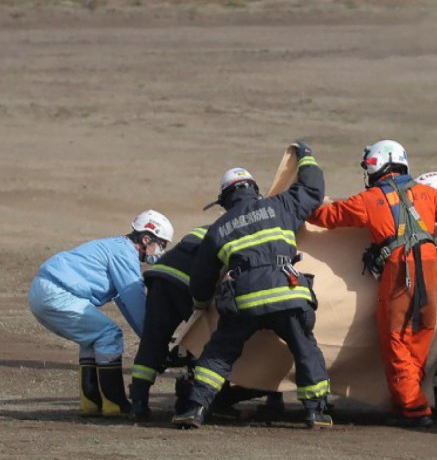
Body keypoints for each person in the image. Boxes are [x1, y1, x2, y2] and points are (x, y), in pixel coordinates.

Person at [306, 139, 437, 428]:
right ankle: (408, 400)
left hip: (399, 272)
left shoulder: (367, 201)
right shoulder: (426, 194)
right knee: (419, 335)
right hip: (430, 271)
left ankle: (414, 409)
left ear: (377, 164)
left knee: (396, 341)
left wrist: (299, 201)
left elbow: (326, 217)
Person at [172, 143, 332, 430]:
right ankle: (315, 412)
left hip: (243, 299)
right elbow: (312, 189)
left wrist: (200, 305)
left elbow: (202, 278)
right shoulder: (281, 205)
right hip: (287, 291)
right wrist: (306, 157)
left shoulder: (219, 228)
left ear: (225, 199)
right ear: (253, 189)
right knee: (305, 348)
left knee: (219, 353)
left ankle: (195, 408)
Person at [28, 209, 175, 418]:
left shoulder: (117, 247)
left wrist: (148, 335)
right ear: (145, 238)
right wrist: (155, 339)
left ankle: (91, 404)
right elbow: (133, 298)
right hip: (56, 293)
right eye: (161, 244)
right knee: (108, 334)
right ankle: (115, 404)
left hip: (44, 290)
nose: (161, 251)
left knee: (92, 340)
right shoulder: (125, 254)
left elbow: (126, 303)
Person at [128, 223, 209, 421]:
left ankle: (138, 401)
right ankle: (196, 399)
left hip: (160, 275)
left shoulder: (211, 226)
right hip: (187, 282)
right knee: (205, 340)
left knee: (152, 340)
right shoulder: (244, 229)